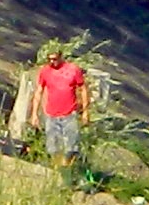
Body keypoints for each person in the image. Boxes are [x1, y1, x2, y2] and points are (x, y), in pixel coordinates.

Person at [7, 40, 92, 169]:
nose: (52, 62)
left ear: (61, 56)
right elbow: (39, 92)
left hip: (69, 113)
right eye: (50, 59)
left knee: (72, 146)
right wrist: (34, 114)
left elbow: (83, 89)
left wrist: (85, 111)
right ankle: (57, 170)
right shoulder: (45, 71)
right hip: (51, 115)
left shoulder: (73, 70)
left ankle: (68, 167)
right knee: (52, 147)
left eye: (55, 59)